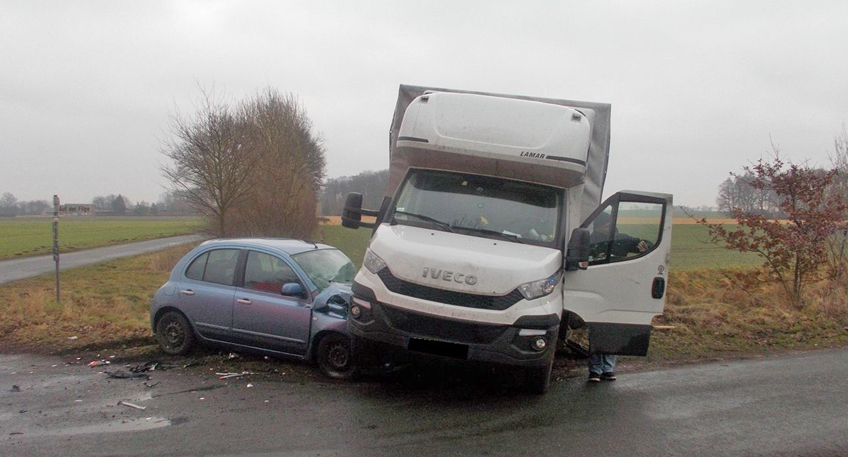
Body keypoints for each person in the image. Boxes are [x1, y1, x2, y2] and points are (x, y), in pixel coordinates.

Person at [586, 211, 650, 383]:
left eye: (609, 225)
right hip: (597, 291)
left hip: (617, 291)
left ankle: (608, 368)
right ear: (598, 226)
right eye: (605, 225)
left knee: (614, 331)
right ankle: (595, 369)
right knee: (597, 330)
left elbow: (643, 245)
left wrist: (646, 247)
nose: (608, 228)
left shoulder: (622, 239)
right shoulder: (590, 241)